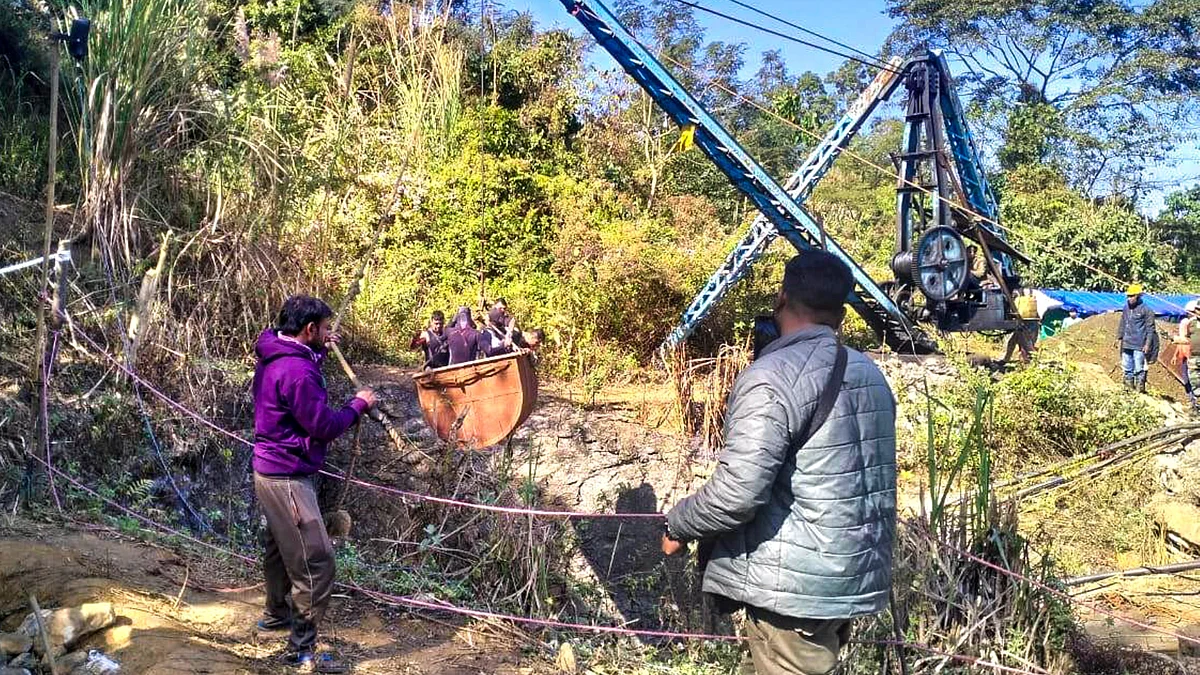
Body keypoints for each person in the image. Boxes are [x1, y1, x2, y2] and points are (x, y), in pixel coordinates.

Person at [661, 251, 897, 675]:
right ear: (842, 313)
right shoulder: (870, 374)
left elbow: (738, 492)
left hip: (795, 588)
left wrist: (678, 525)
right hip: (850, 574)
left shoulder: (772, 375)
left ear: (782, 298)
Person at [251, 295, 377, 672]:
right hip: (288, 476)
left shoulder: (276, 350)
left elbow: (299, 380)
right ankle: (300, 650)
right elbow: (323, 425)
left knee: (279, 547)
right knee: (317, 562)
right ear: (309, 329)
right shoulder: (297, 371)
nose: (327, 333)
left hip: (269, 470)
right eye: (323, 329)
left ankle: (276, 614)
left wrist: (320, 349)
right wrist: (358, 405)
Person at [1118, 284, 1156, 393]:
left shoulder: (1146, 310)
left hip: (1139, 344)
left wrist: (1147, 344)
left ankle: (1139, 390)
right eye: (1128, 296)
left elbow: (1150, 329)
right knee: (1127, 367)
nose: (1129, 298)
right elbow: (1123, 322)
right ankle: (1128, 388)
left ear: (1138, 296)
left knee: (1139, 368)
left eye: (1131, 296)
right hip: (1127, 342)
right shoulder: (1126, 308)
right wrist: (1119, 337)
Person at [1174, 300, 1200, 413]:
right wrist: (1177, 340)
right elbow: (1188, 338)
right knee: (1194, 381)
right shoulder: (1191, 323)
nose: (1197, 312)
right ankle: (1196, 405)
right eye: (1197, 310)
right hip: (1193, 356)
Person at [1003, 288, 1039, 363]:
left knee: (1026, 345)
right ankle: (1006, 359)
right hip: (1027, 323)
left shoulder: (1018, 296)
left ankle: (1032, 360)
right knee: (1013, 342)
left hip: (1025, 324)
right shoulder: (1032, 296)